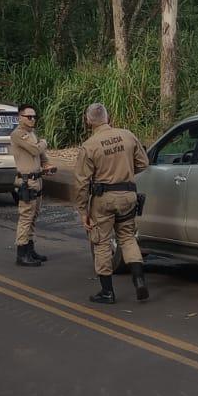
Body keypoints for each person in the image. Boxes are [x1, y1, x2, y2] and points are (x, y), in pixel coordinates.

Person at [73, 102, 149, 304]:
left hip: (103, 200)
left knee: (101, 242)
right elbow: (143, 163)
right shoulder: (127, 135)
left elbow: (81, 183)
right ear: (108, 117)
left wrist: (82, 211)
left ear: (89, 121)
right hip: (128, 195)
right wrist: (125, 174)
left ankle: (107, 292)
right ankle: (139, 281)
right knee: (128, 237)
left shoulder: (89, 146)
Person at [9, 104, 53, 267]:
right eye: (29, 117)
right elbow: (35, 150)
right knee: (26, 217)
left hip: (37, 179)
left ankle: (30, 248)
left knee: (33, 217)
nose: (32, 119)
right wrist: (44, 142)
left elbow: (41, 155)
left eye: (34, 117)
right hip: (27, 182)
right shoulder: (18, 134)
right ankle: (21, 253)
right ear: (20, 118)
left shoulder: (32, 134)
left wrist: (47, 165)